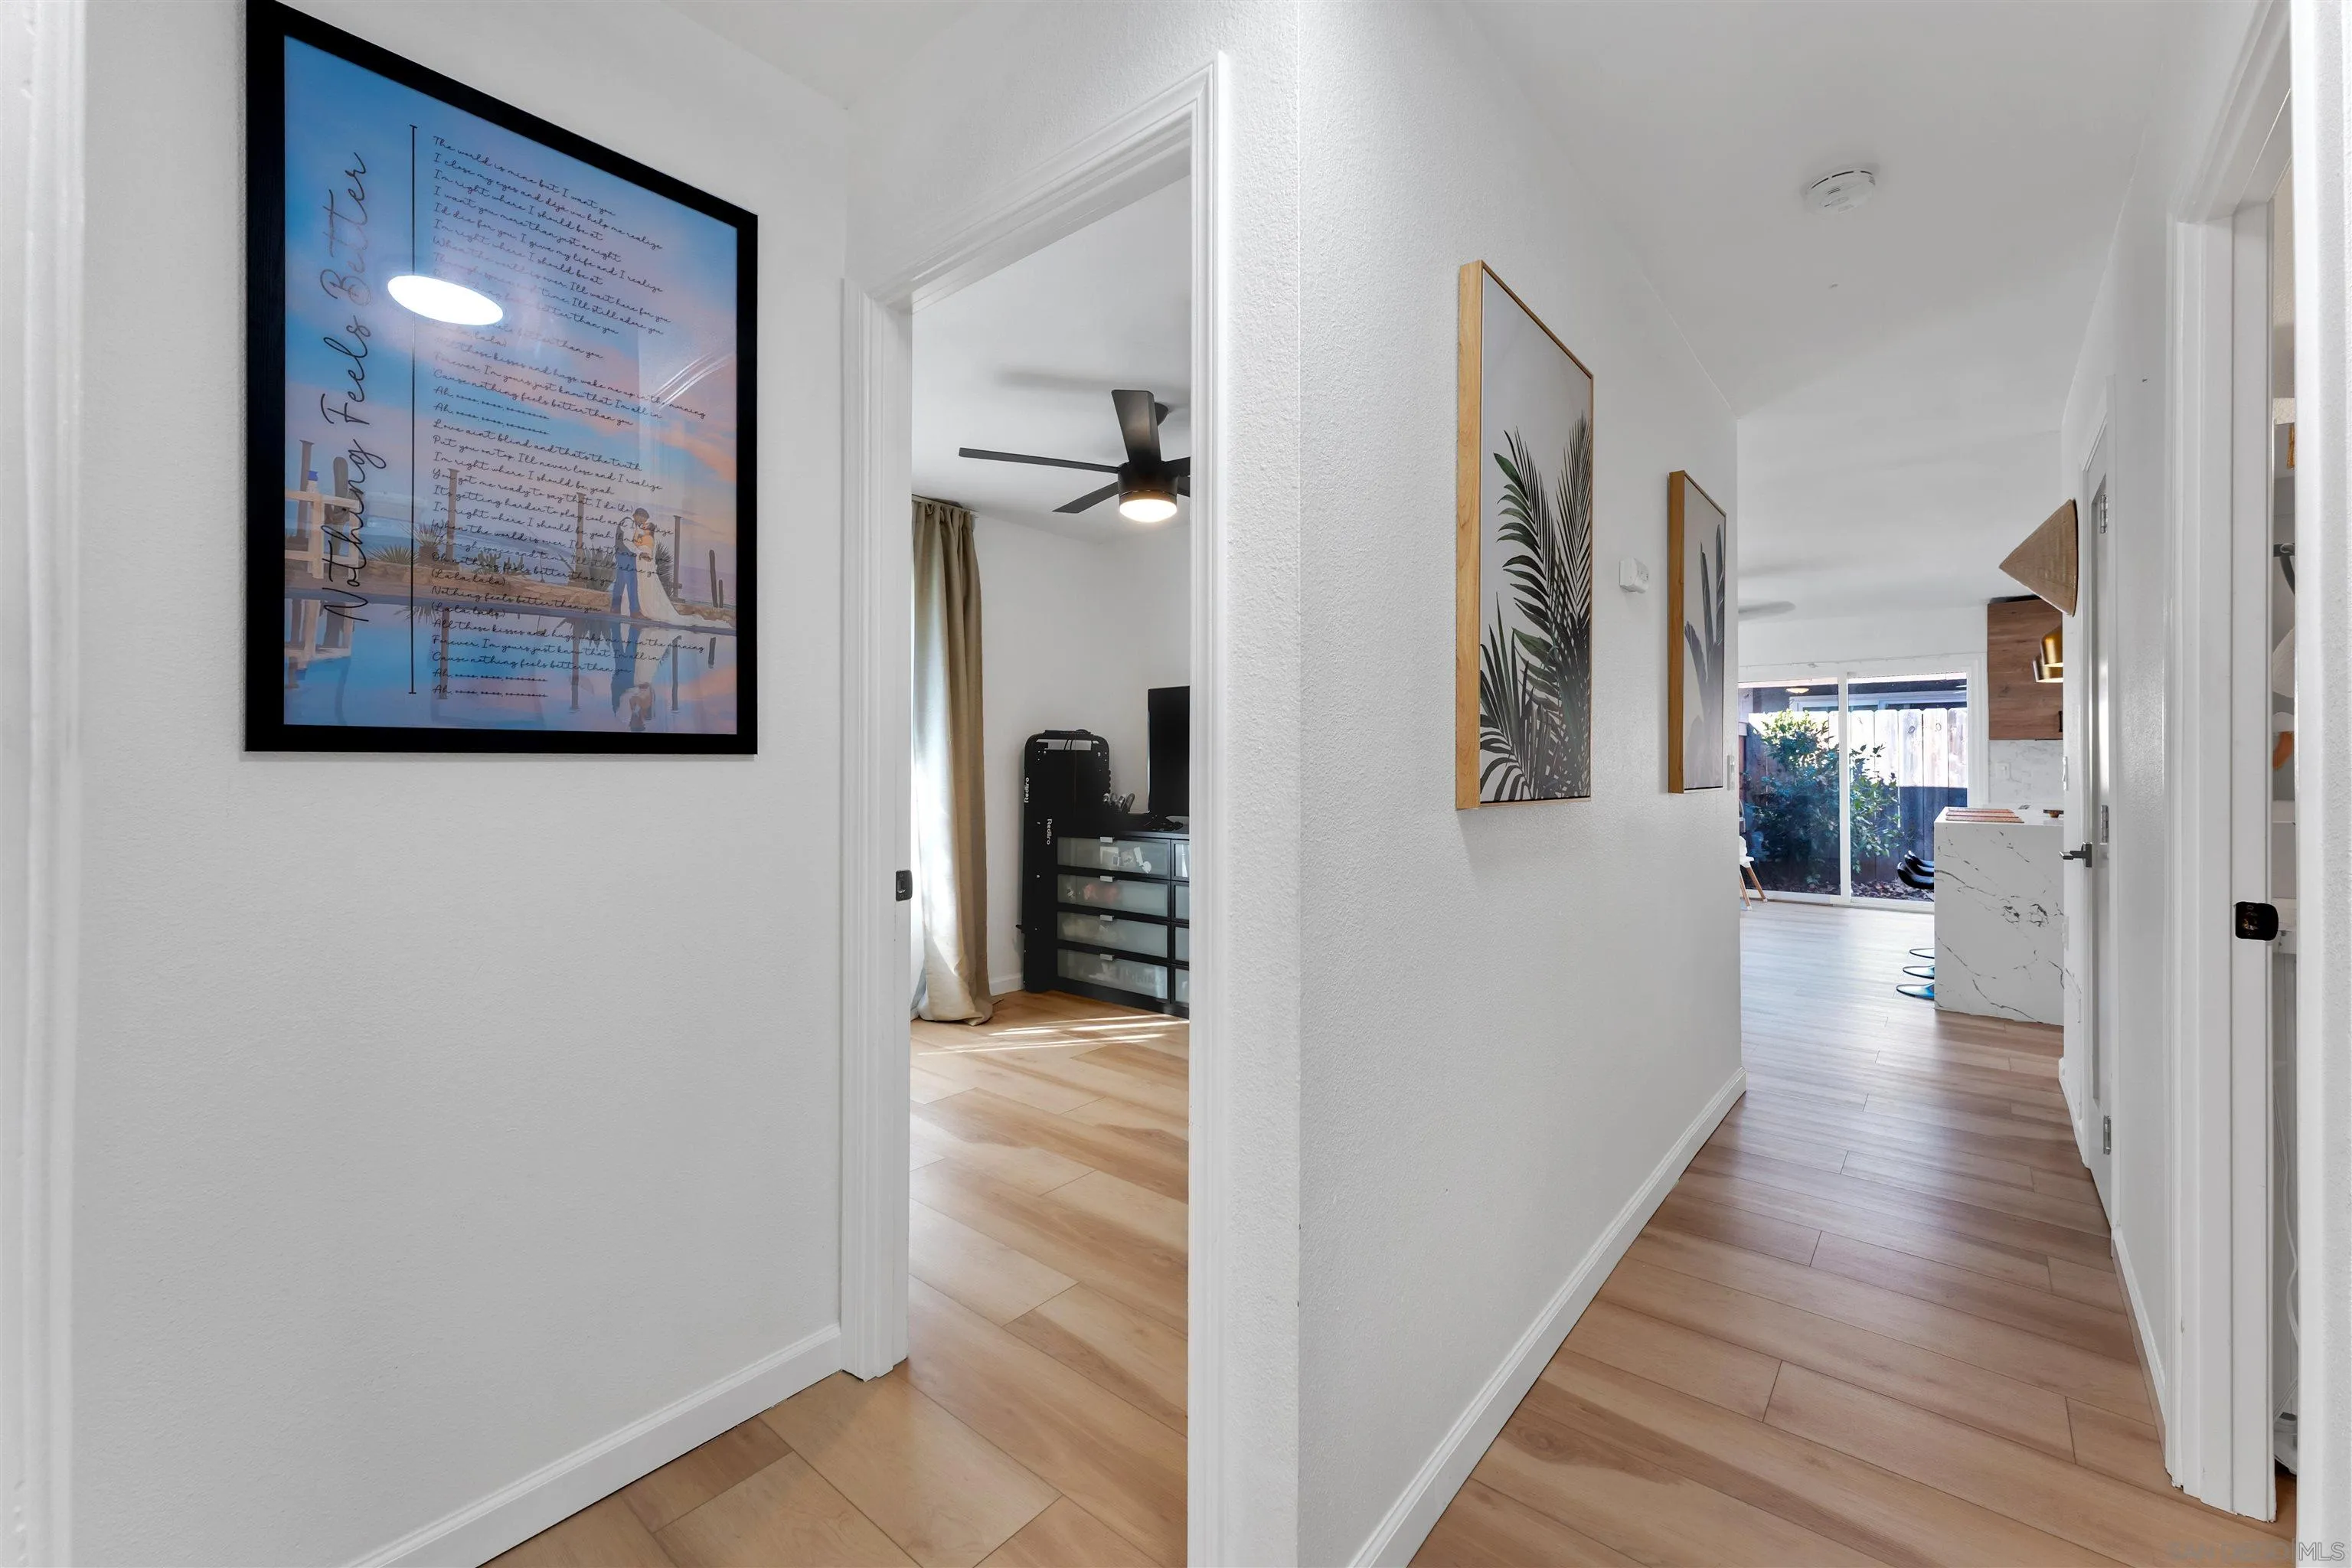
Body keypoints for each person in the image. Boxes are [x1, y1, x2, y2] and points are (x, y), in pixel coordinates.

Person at [609, 511, 642, 618]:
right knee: (632, 582)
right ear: (638, 516)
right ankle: (634, 611)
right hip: (626, 555)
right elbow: (627, 542)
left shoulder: (630, 523)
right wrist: (640, 552)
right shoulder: (630, 523)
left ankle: (615, 608)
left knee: (620, 582)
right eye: (643, 519)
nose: (642, 522)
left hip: (622, 554)